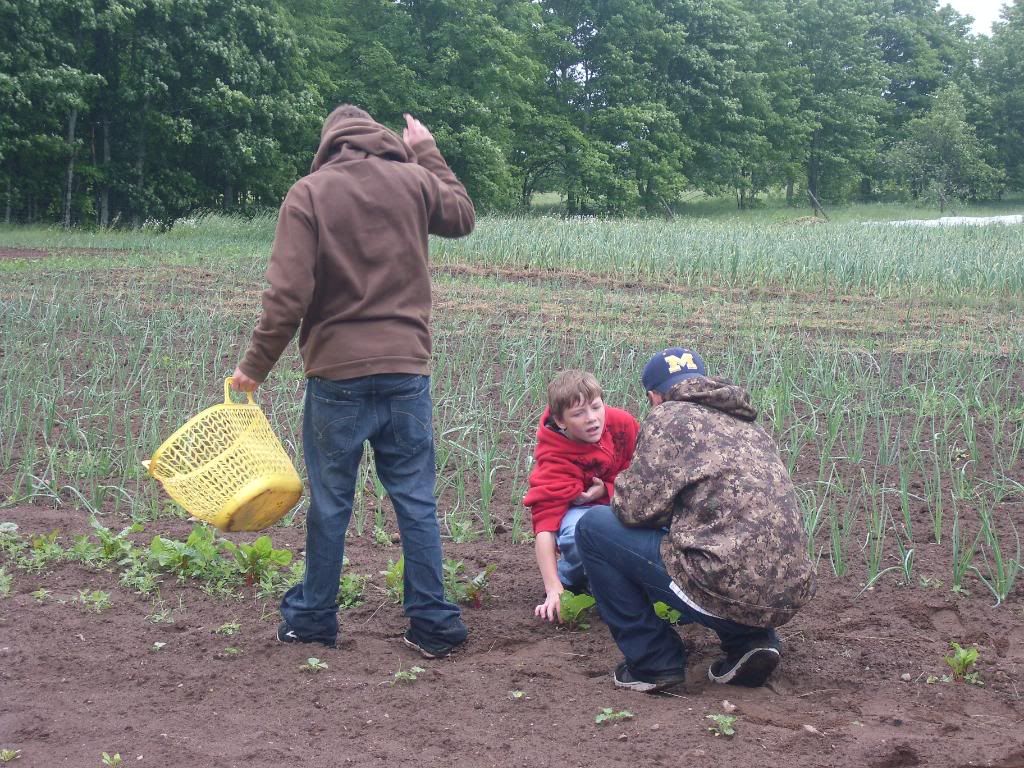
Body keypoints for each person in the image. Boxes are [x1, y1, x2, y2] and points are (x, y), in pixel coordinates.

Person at [230, 105, 475, 657]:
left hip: (336, 375)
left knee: (331, 503)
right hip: (406, 370)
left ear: (330, 143)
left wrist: (254, 367)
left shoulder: (310, 193)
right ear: (379, 139)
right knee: (415, 500)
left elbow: (287, 297)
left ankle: (315, 617)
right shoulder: (414, 180)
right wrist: (427, 151)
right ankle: (434, 623)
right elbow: (461, 215)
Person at [576, 347, 816, 691]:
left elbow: (634, 510)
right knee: (718, 538)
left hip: (722, 582)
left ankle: (653, 662)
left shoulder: (667, 417)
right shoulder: (746, 423)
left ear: (654, 397)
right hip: (790, 590)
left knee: (593, 528)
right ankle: (750, 643)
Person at [523, 370, 639, 622]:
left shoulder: (623, 424)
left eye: (596, 407)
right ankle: (573, 580)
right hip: (582, 514)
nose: (592, 419)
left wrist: (608, 489)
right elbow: (544, 526)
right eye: (578, 414)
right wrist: (553, 589)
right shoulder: (554, 458)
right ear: (560, 420)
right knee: (578, 533)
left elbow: (645, 474)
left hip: (626, 501)